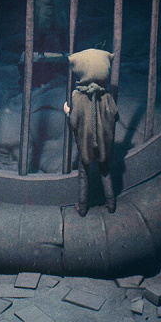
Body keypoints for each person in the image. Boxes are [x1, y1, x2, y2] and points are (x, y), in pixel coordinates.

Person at [63, 48, 119, 216]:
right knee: (105, 170)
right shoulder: (106, 97)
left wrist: (68, 112)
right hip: (103, 142)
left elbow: (73, 122)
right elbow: (115, 116)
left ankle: (82, 207)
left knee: (83, 173)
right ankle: (111, 203)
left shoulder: (77, 98)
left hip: (86, 144)